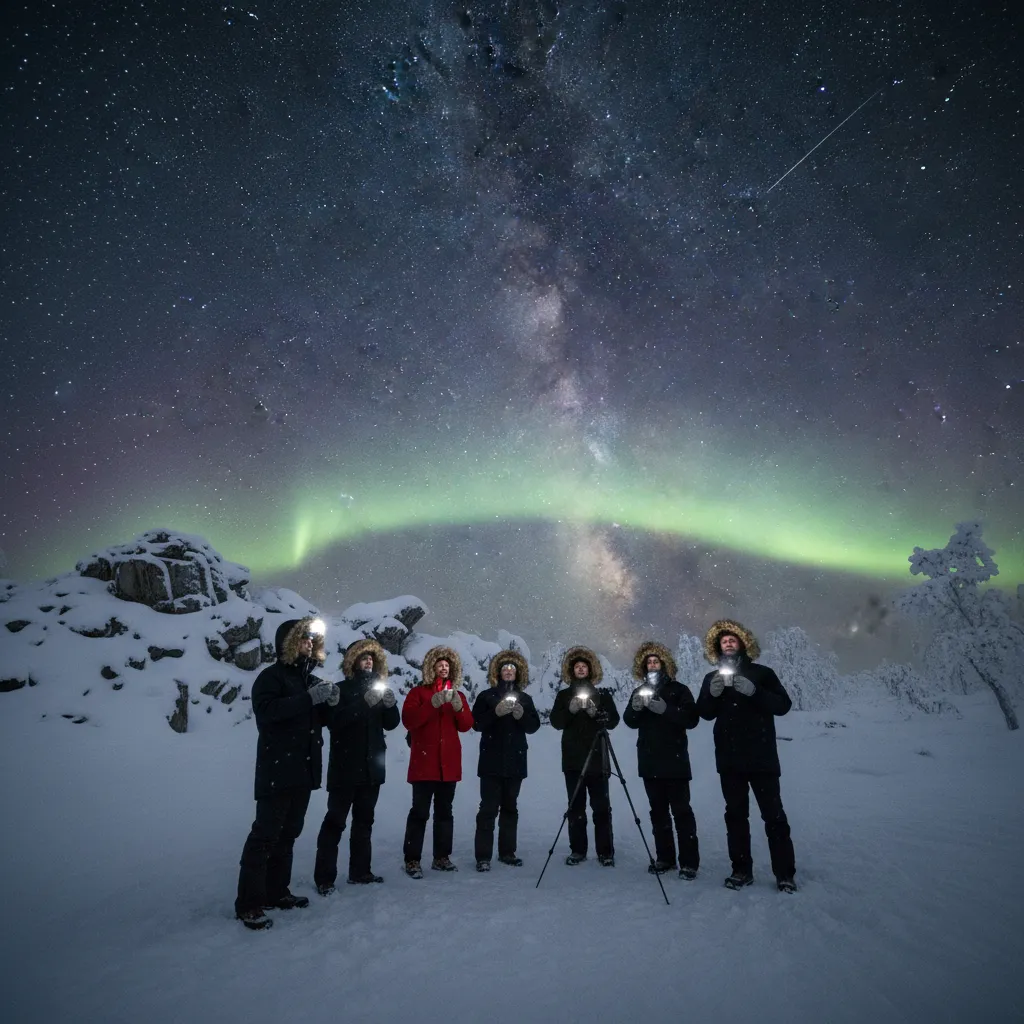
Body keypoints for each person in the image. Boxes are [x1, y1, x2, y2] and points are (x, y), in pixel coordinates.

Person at [235, 617, 338, 930]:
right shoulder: (271, 677)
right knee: (264, 836)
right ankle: (249, 904)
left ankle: (277, 892)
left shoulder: (309, 679)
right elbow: (267, 713)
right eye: (303, 639)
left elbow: (319, 719)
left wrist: (330, 703)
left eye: (312, 640)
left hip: (303, 771)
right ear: (288, 643)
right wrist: (309, 699)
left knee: (288, 834)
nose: (309, 643)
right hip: (277, 769)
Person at [695, 619, 798, 893]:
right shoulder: (712, 678)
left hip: (762, 758)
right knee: (735, 817)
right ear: (718, 647)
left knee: (774, 816)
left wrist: (755, 692)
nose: (728, 644)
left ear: (742, 643)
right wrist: (713, 695)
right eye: (724, 641)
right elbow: (703, 713)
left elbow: (783, 705)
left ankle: (785, 874)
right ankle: (741, 870)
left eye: (732, 640)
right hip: (729, 760)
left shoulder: (762, 673)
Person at [314, 638, 400, 894]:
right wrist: (365, 703)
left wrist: (390, 705)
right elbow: (335, 722)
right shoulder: (340, 689)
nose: (368, 661)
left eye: (371, 658)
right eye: (363, 657)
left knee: (364, 822)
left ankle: (360, 872)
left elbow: (391, 724)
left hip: (371, 770)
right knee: (335, 823)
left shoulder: (378, 688)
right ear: (353, 662)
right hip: (345, 769)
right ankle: (325, 878)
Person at [623, 640, 701, 879]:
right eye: (649, 662)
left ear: (664, 664)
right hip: (650, 762)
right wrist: (636, 708)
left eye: (656, 661)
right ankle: (665, 858)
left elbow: (691, 719)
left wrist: (665, 709)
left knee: (681, 812)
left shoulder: (679, 690)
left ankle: (689, 862)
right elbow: (629, 721)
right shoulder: (639, 691)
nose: (652, 665)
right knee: (658, 813)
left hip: (675, 762)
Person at [401, 645, 474, 876]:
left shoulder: (458, 695)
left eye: (447, 665)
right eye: (440, 665)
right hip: (424, 765)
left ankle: (441, 857)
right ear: (431, 668)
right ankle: (412, 860)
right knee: (419, 813)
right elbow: (409, 720)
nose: (444, 668)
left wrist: (459, 707)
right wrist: (431, 704)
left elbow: (466, 725)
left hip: (448, 766)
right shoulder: (418, 693)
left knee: (444, 813)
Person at [549, 646, 620, 867]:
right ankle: (578, 850)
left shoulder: (602, 695)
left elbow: (613, 721)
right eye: (577, 667)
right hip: (573, 760)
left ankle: (605, 852)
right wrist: (570, 710)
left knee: (601, 808)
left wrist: (596, 713)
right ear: (572, 671)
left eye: (584, 666)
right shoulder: (563, 696)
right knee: (575, 808)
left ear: (590, 670)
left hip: (598, 759)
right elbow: (556, 722)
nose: (580, 669)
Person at [471, 649, 541, 871]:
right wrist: (495, 713)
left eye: (512, 669)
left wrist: (522, 716)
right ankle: (483, 856)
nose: (509, 671)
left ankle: (507, 852)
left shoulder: (525, 699)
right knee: (488, 809)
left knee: (510, 808)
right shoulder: (486, 696)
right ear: (498, 673)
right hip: (491, 761)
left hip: (515, 761)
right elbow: (476, 723)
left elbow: (534, 726)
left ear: (517, 673)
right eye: (505, 669)